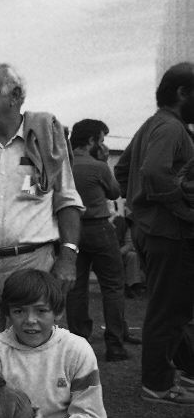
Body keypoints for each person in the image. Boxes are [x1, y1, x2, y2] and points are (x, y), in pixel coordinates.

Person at [0, 63, 84, 340]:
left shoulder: (45, 142)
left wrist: (68, 258)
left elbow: (67, 201)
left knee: (34, 350)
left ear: (15, 95)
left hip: (33, 265)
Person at [0, 269, 132, 418]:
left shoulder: (76, 349)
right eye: (19, 311)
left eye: (41, 311)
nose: (30, 320)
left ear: (58, 312)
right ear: (7, 313)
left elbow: (89, 414)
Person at [114, 62, 194, 405]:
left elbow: (123, 170)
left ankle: (177, 372)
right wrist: (182, 210)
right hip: (171, 233)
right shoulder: (172, 128)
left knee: (174, 306)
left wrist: (141, 208)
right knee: (168, 309)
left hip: (155, 231)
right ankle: (158, 385)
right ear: (183, 93)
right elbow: (153, 172)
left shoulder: (152, 124)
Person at [66, 119, 138, 362]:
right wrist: (105, 161)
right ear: (91, 141)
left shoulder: (64, 164)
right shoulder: (98, 166)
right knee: (113, 285)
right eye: (101, 140)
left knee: (76, 288)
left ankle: (79, 342)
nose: (103, 144)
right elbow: (116, 193)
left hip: (70, 229)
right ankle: (115, 344)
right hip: (98, 227)